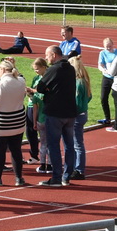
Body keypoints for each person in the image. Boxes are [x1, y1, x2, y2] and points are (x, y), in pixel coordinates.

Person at [32, 45, 77, 187]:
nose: (46, 58)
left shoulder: (53, 69)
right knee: (69, 145)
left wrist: (48, 89)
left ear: (53, 55)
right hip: (70, 112)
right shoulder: (70, 68)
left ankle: (56, 177)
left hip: (55, 113)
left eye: (47, 55)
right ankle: (67, 176)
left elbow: (40, 88)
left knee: (54, 145)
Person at [0, 60, 27, 186]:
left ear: (2, 70)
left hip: (1, 122)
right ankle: (19, 178)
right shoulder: (21, 81)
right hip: (18, 121)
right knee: (16, 150)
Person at [69, 56, 91, 180]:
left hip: (77, 115)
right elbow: (89, 97)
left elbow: (76, 102)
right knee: (77, 143)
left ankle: (79, 169)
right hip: (83, 113)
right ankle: (77, 168)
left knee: (77, 144)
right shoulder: (84, 80)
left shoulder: (77, 83)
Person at [25, 58, 48, 171]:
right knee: (31, 132)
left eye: (38, 69)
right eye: (34, 69)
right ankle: (37, 157)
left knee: (46, 141)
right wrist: (30, 93)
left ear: (44, 67)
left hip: (43, 111)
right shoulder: (36, 78)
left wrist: (34, 92)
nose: (36, 71)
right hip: (33, 106)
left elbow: (41, 93)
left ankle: (46, 164)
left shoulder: (48, 78)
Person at [96, 38, 117, 125]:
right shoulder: (102, 53)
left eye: (110, 46)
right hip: (106, 77)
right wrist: (104, 70)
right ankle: (107, 118)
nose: (108, 48)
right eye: (106, 47)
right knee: (103, 98)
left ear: (113, 44)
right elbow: (100, 64)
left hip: (116, 78)